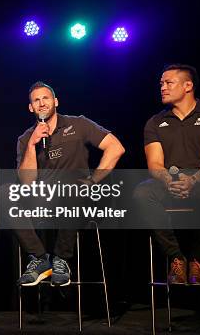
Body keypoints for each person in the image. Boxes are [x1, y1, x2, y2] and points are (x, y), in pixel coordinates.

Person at [15, 82, 125, 286]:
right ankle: (40, 258)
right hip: (43, 199)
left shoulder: (78, 124)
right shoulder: (25, 139)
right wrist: (32, 144)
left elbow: (115, 148)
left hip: (77, 197)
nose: (41, 103)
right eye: (36, 100)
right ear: (31, 107)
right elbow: (26, 182)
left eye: (45, 98)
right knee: (5, 194)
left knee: (71, 186)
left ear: (55, 101)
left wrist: (93, 179)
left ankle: (61, 259)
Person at [133, 64, 200, 284]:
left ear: (188, 86)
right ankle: (176, 259)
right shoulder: (156, 122)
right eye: (161, 84)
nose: (163, 88)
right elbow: (155, 163)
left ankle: (198, 260)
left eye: (169, 83)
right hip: (171, 180)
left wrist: (194, 180)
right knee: (142, 193)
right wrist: (169, 180)